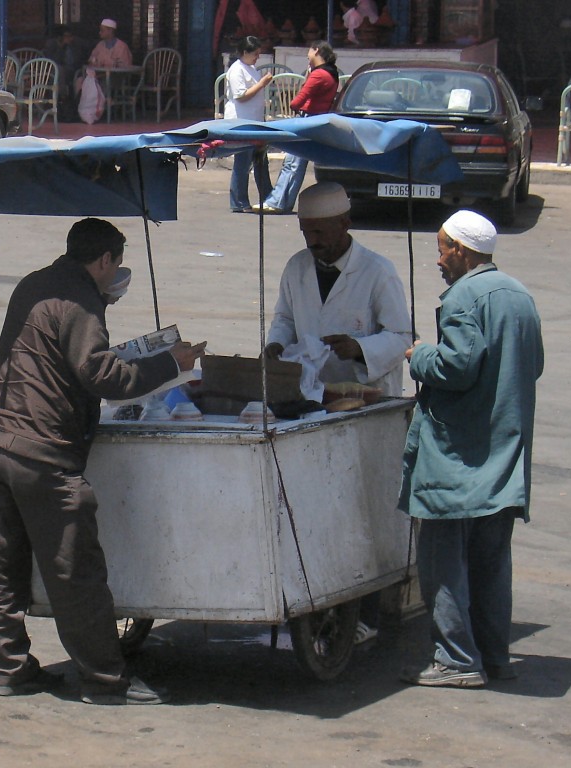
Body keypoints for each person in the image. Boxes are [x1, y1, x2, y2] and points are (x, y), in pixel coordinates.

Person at [0, 218, 206, 704]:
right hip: (42, 451)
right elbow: (100, 374)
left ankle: (10, 669)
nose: (115, 274)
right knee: (75, 570)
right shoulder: (80, 300)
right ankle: (105, 680)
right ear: (104, 259)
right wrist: (173, 364)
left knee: (3, 565)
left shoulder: (36, 283)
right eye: (116, 264)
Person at [398, 210, 543, 688]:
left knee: (442, 561)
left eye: (442, 249)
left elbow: (458, 367)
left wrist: (419, 355)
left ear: (461, 250)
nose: (438, 260)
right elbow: (533, 364)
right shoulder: (520, 295)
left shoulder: (462, 296)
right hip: (503, 452)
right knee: (490, 565)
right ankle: (494, 656)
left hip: (457, 454)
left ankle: (457, 660)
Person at [264, 182, 412, 642]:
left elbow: (402, 335)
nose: (313, 241)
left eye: (321, 231)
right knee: (318, 507)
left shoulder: (377, 272)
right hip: (314, 401)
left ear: (345, 224)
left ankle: (366, 610)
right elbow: (285, 318)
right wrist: (273, 345)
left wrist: (359, 347)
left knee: (362, 507)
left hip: (366, 404)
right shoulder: (296, 268)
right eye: (306, 232)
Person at [254, 42, 339, 214]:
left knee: (292, 163)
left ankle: (277, 201)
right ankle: (283, 201)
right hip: (319, 119)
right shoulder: (332, 73)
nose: (307, 55)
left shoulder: (318, 75)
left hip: (307, 119)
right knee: (297, 163)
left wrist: (309, 77)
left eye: (309, 51)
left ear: (316, 51)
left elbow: (297, 102)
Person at [223, 35, 273, 213]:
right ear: (245, 52)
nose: (257, 57)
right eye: (255, 54)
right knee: (243, 162)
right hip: (241, 121)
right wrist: (261, 84)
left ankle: (269, 197)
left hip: (254, 121)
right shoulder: (237, 70)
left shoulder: (250, 68)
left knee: (260, 160)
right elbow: (241, 96)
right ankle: (239, 201)